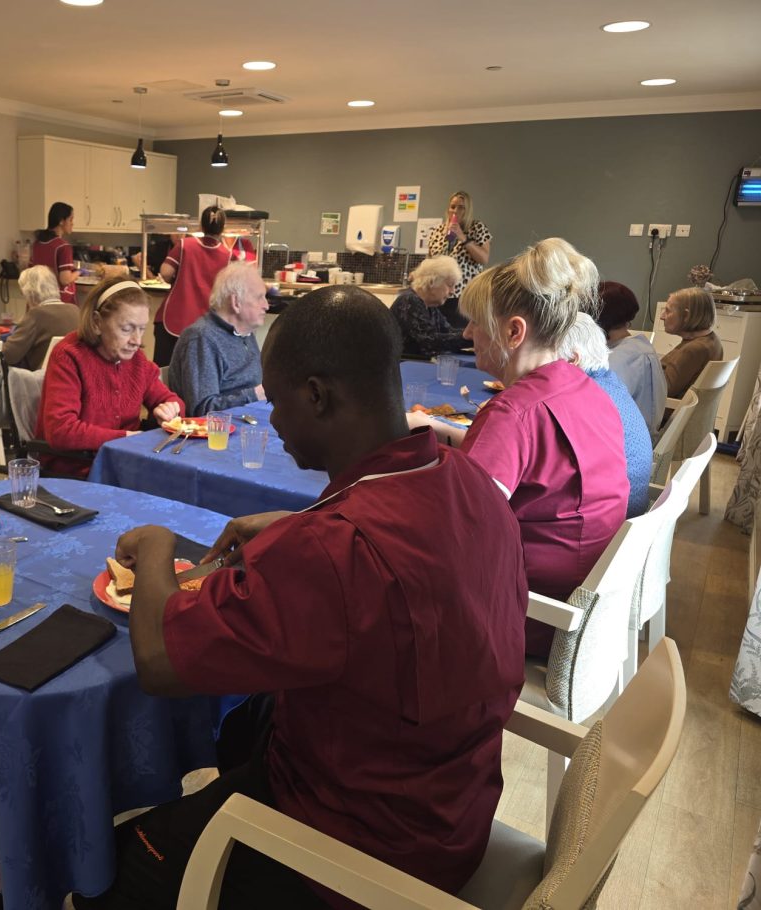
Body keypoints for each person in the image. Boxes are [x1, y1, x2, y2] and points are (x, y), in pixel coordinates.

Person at [74, 286, 528, 909]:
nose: (272, 418)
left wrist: (155, 549)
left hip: (358, 848)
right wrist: (296, 528)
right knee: (245, 727)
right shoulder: (468, 481)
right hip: (452, 800)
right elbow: (402, 577)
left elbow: (159, 662)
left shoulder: (332, 549)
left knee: (115, 866)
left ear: (316, 395)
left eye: (276, 399)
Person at [407, 238, 628, 656]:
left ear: (513, 332)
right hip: (581, 605)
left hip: (531, 616)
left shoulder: (512, 413)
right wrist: (442, 432)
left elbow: (454, 535)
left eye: (474, 323)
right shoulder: (585, 388)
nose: (467, 333)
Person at [35, 277, 183, 477]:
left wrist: (170, 408)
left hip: (124, 464)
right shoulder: (69, 356)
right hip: (77, 471)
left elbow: (172, 400)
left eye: (142, 329)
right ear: (97, 323)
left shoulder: (136, 359)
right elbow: (60, 430)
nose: (137, 341)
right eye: (126, 329)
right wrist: (126, 438)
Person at [558, 313, 651, 518]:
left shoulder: (583, 398)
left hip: (610, 524)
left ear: (573, 359)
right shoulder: (609, 382)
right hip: (630, 513)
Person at [167, 262, 268, 416]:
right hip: (211, 435)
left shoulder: (245, 332)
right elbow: (201, 410)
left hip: (247, 420)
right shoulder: (202, 338)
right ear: (236, 303)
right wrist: (255, 395)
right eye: (259, 298)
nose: (266, 305)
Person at [154, 206, 233, 367]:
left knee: (164, 373)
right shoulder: (227, 255)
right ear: (222, 229)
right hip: (204, 329)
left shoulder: (184, 245)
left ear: (201, 226)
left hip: (173, 320)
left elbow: (166, 272)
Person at [597, 281, 666, 435]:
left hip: (626, 442)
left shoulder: (618, 360)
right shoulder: (640, 348)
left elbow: (597, 407)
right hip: (642, 434)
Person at [423, 191, 492, 328]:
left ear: (467, 210)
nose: (455, 211)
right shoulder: (437, 231)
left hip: (464, 296)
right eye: (453, 206)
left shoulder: (477, 228)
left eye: (461, 207)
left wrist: (463, 238)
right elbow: (430, 260)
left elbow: (484, 259)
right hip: (439, 297)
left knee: (461, 338)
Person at [1, 265, 81, 371]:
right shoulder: (75, 310)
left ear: (30, 293)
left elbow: (8, 356)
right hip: (71, 377)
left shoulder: (36, 315)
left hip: (42, 381)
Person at [390, 256, 469, 359]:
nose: (453, 291)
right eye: (450, 285)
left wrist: (472, 333)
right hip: (403, 367)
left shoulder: (430, 306)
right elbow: (429, 342)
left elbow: (448, 331)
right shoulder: (408, 301)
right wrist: (470, 337)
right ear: (432, 282)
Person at [659, 287, 724, 399]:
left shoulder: (694, 349)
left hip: (662, 412)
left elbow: (664, 390)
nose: (662, 316)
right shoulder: (712, 340)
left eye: (668, 311)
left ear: (686, 316)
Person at [31, 202, 78, 304]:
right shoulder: (63, 246)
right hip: (59, 301)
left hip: (40, 299)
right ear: (61, 221)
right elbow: (65, 280)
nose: (72, 223)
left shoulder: (37, 243)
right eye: (70, 219)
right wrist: (80, 272)